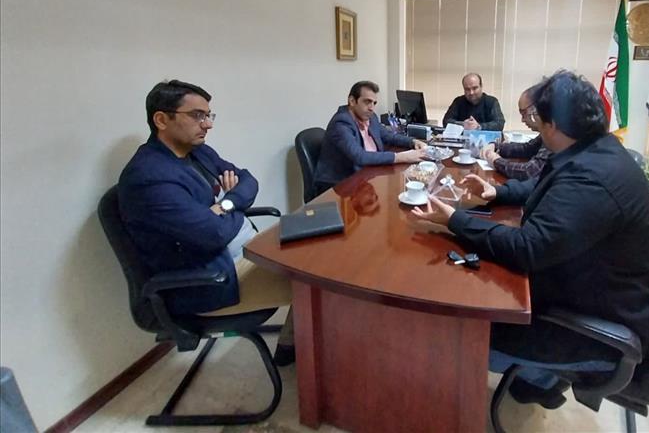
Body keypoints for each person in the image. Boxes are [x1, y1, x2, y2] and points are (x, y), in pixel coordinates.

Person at [410, 70, 649, 409]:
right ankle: (539, 381)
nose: (535, 128)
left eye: (538, 121)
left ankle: (535, 378)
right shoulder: (594, 151)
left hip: (589, 329)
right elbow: (543, 186)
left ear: (552, 125)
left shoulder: (593, 179)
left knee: (458, 322)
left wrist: (456, 220)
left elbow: (527, 248)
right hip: (592, 291)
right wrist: (497, 192)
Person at [118, 80, 297, 365]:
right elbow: (213, 235)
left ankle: (291, 344)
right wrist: (230, 208)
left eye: (208, 115)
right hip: (214, 278)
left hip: (243, 250)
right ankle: (302, 357)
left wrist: (224, 204)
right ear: (161, 120)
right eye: (197, 115)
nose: (208, 124)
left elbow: (248, 181)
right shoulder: (149, 177)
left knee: (316, 251)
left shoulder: (198, 152)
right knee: (318, 282)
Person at [314, 80, 427, 194]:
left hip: (368, 174)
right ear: (352, 101)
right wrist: (401, 157)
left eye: (374, 103)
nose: (371, 108)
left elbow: (388, 136)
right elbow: (360, 156)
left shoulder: (370, 117)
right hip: (340, 185)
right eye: (367, 102)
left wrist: (413, 141)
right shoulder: (341, 123)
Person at [480, 85, 551, 181]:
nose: (522, 120)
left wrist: (496, 161)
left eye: (524, 113)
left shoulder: (554, 133)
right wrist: (496, 146)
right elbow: (527, 148)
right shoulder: (547, 131)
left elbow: (529, 172)